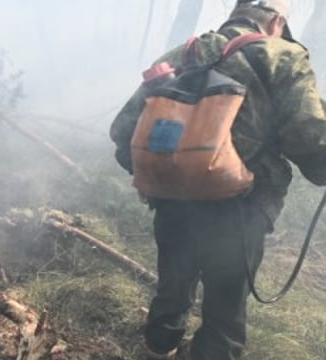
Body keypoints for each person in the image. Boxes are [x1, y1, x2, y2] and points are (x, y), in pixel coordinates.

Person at [110, 1, 326, 359]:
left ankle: (156, 350)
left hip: (172, 199)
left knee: (172, 293)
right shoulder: (282, 56)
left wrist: (167, 172)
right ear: (275, 21)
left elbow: (124, 131)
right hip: (240, 207)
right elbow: (307, 135)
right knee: (224, 317)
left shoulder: (186, 52)